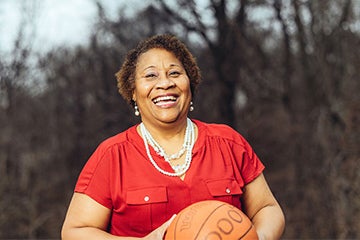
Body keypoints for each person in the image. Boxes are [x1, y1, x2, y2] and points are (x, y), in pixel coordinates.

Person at [61, 34, 285, 240]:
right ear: (132, 91)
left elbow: (267, 208)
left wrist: (258, 238)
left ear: (190, 83)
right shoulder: (112, 156)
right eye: (150, 75)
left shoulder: (228, 143)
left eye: (175, 73)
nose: (165, 83)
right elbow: (75, 232)